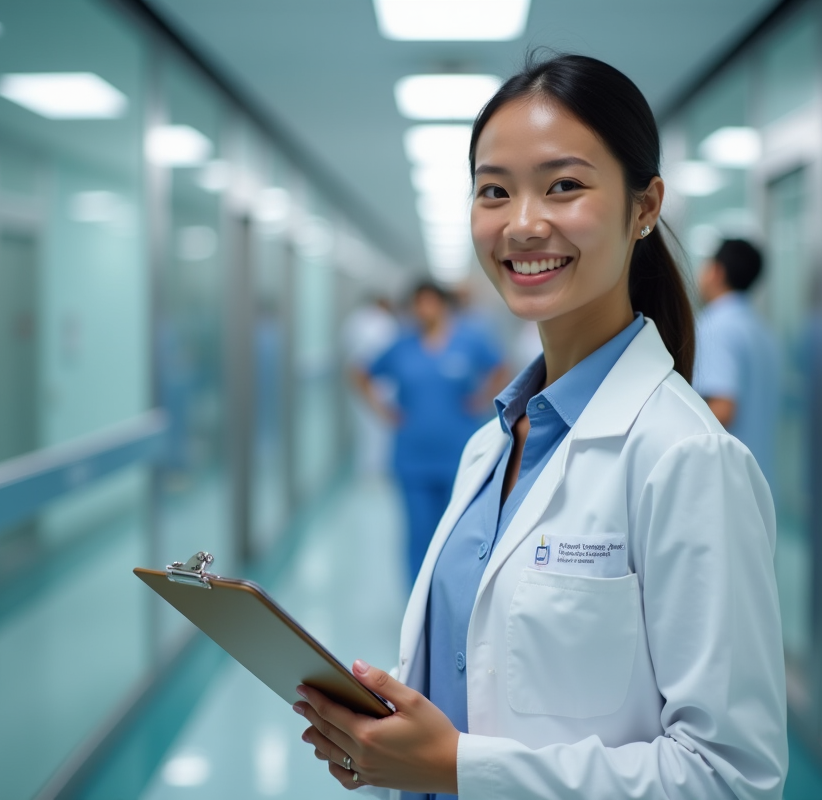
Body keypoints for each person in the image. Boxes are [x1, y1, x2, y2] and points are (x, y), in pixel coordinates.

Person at [297, 54, 787, 800]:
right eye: (494, 191)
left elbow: (731, 778)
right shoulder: (494, 442)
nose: (522, 224)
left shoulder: (687, 459)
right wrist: (387, 736)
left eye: (564, 185)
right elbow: (494, 672)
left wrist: (458, 767)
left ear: (645, 206)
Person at [354, 282, 506, 587]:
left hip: (460, 456)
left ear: (443, 305)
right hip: (413, 458)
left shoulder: (469, 341)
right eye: (418, 304)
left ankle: (455, 597)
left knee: (461, 534)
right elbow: (360, 373)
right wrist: (382, 411)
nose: (424, 310)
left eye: (430, 303)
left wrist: (481, 401)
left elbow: (501, 368)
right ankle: (418, 601)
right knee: (419, 534)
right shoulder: (402, 346)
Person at [693, 239, 782, 484]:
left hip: (728, 481)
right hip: (760, 477)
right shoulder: (761, 329)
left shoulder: (716, 325)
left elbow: (724, 407)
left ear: (716, 272)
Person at [342, 295, 399, 475]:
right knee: (380, 426)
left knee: (365, 426)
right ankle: (377, 468)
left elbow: (345, 349)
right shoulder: (386, 322)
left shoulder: (354, 321)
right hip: (380, 382)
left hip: (359, 380)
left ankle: (367, 469)